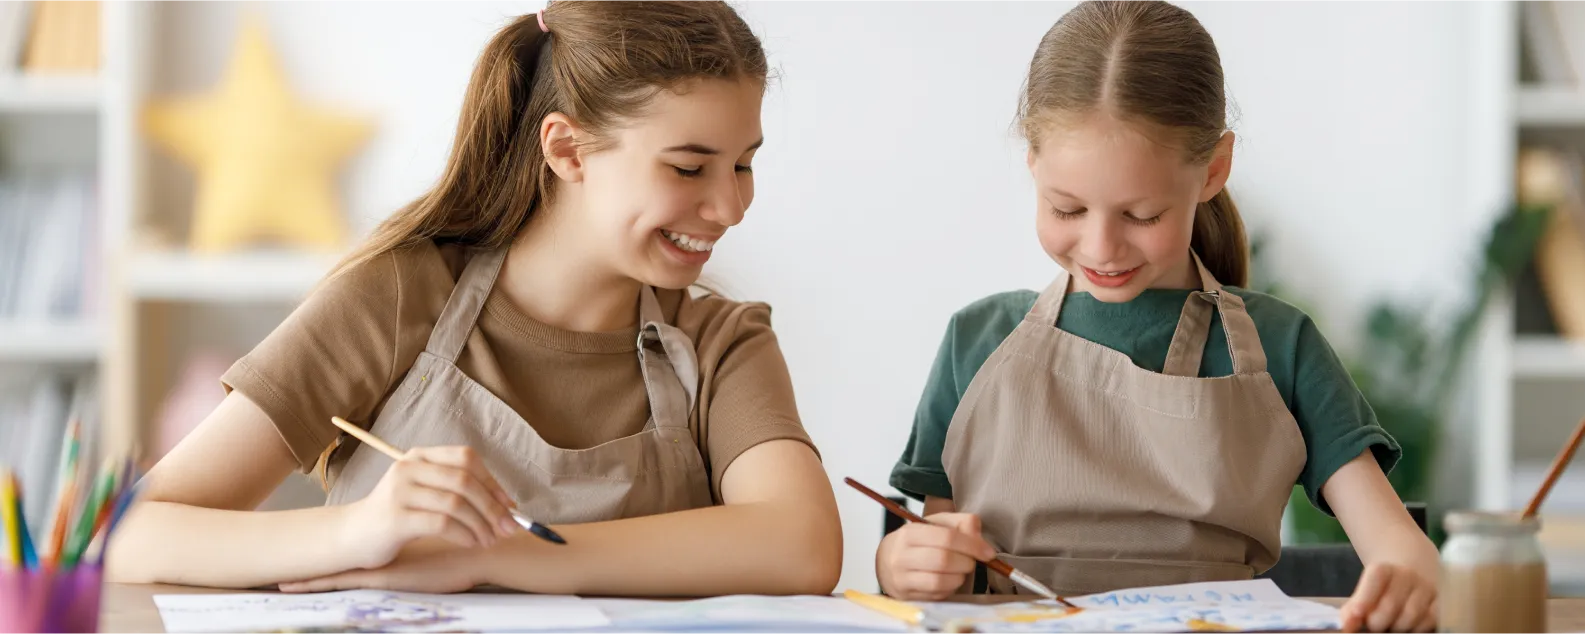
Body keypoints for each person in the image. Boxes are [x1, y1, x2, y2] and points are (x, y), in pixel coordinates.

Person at [108, 0, 842, 598]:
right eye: (689, 168)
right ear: (566, 150)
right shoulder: (399, 294)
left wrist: (497, 558)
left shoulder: (721, 341)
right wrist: (361, 532)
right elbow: (127, 537)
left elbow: (801, 544)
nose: (729, 205)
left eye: (743, 164)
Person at [878, 1, 1438, 631]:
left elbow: (1402, 551)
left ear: (1213, 170)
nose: (1100, 247)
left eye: (1141, 216)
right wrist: (902, 561)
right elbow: (933, 552)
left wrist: (1411, 577)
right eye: (1066, 209)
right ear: (1032, 163)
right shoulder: (974, 343)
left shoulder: (1282, 347)